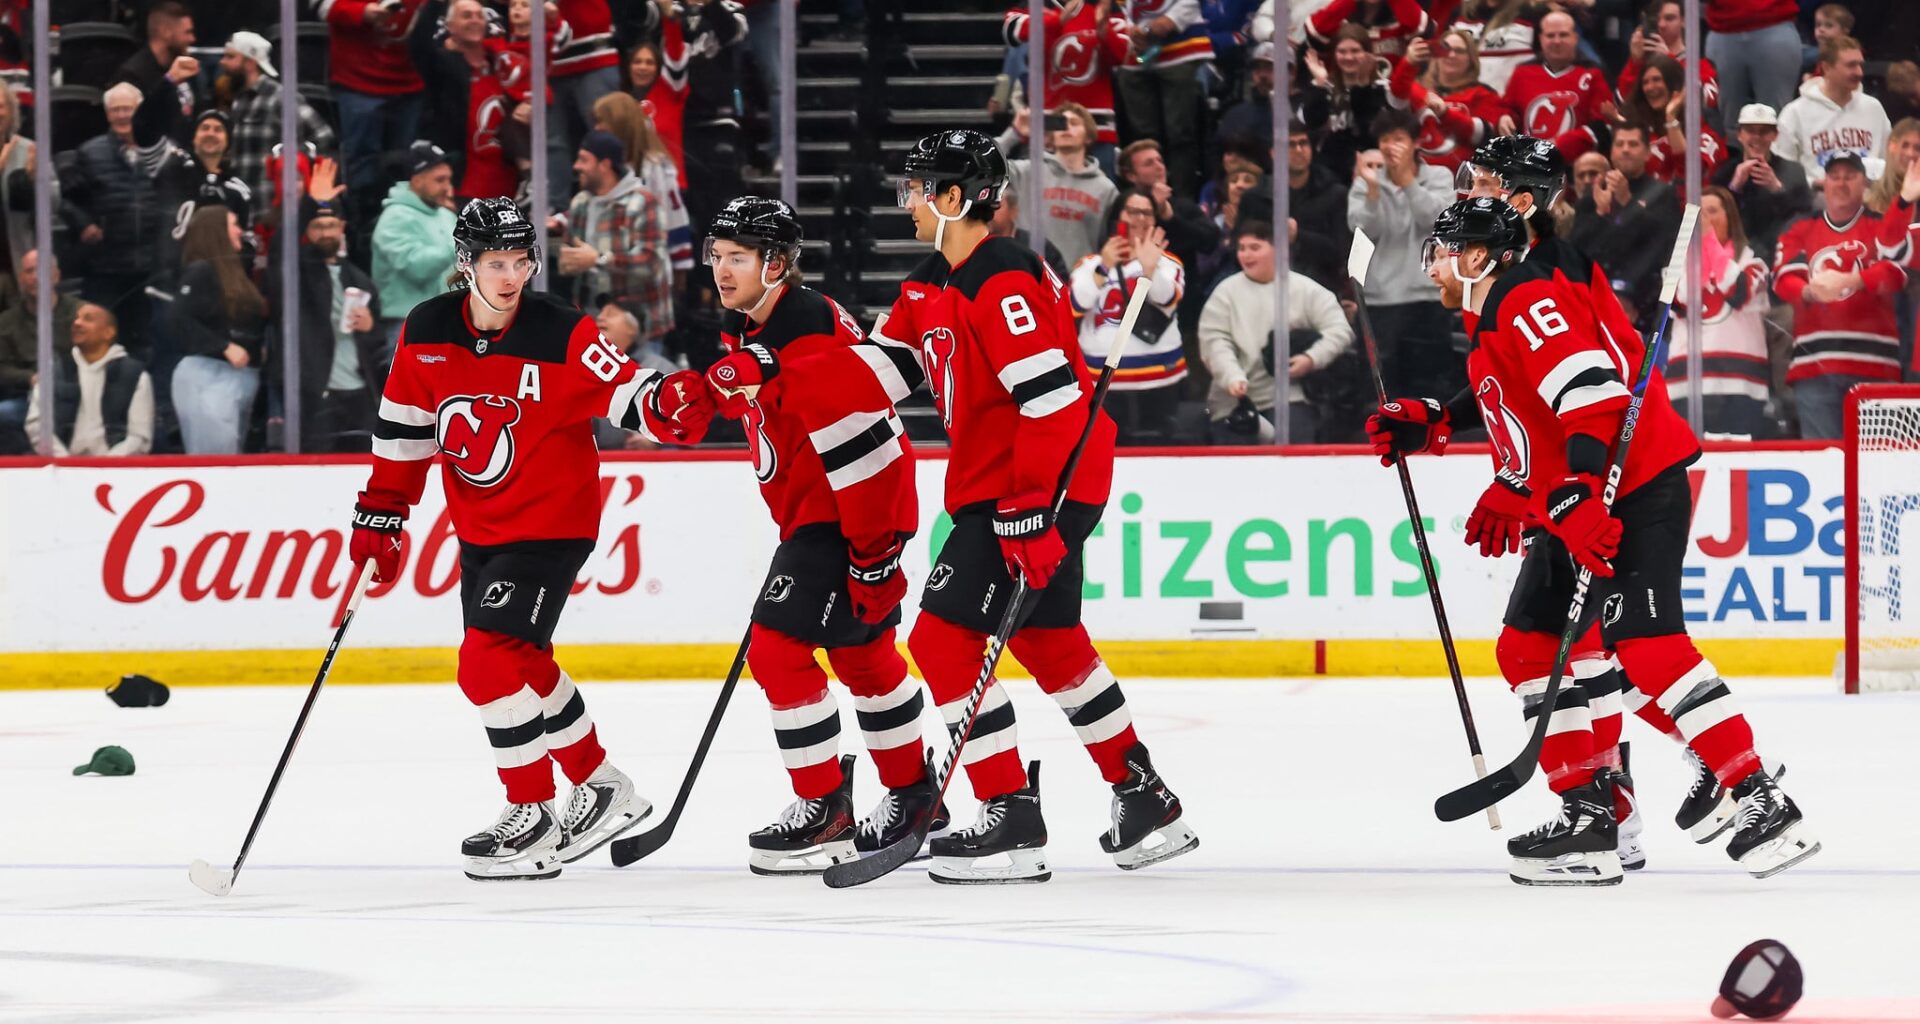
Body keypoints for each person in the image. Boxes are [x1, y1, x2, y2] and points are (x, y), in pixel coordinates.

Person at [1370, 196, 1818, 882]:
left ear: (1480, 256)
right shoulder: (1493, 319)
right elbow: (1510, 399)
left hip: (1629, 489)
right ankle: (1589, 820)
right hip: (1575, 503)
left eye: (1445, 249)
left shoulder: (1525, 300)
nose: (1433, 263)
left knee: (1649, 647)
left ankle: (1760, 797)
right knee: (1527, 645)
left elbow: (1591, 391)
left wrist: (1577, 485)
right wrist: (1431, 423)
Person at [350, 197, 714, 880]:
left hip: (553, 524)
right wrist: (381, 514)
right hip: (481, 528)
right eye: (496, 262)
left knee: (484, 663)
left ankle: (534, 812)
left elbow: (627, 389)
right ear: (466, 264)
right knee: (521, 663)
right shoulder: (427, 331)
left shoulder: (561, 331)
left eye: (521, 260)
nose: (511, 275)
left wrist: (667, 406)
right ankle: (601, 785)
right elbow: (402, 434)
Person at [875, 129, 1198, 883]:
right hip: (1008, 487)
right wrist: (786, 363)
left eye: (919, 187)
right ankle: (1140, 790)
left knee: (943, 644)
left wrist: (1028, 510)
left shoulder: (1002, 277)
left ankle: (1009, 816)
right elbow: (880, 373)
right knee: (1051, 644)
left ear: (955, 199)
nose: (908, 202)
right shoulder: (933, 282)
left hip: (1033, 487)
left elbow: (1052, 401)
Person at [688, 196, 944, 873]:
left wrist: (872, 551)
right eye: (716, 256)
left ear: (775, 264)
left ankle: (824, 805)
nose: (721, 269)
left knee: (776, 651)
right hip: (821, 514)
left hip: (847, 513)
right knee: (863, 658)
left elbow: (863, 439)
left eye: (737, 257)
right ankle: (916, 792)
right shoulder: (755, 326)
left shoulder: (805, 326)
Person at [1772, 152, 1906, 439]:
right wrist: (1810, 290)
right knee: (1826, 465)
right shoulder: (1801, 228)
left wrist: (1853, 280)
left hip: (1875, 366)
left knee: (1878, 468)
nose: (1841, 183)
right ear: (1824, 183)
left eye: (1850, 176)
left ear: (1864, 184)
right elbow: (1783, 279)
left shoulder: (1881, 225)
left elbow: (1896, 273)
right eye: (1834, 177)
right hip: (1815, 366)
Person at [1198, 219, 1353, 443]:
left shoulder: (1306, 289)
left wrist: (1311, 358)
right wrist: (1232, 376)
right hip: (1234, 401)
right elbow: (1214, 341)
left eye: (1255, 248)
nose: (1246, 255)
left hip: (1292, 397)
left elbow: (1339, 330)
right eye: (1242, 248)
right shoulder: (1224, 292)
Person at [1346, 108, 1459, 397]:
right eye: (1385, 139)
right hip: (1382, 300)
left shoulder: (1439, 176)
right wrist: (1372, 193)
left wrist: (1407, 182)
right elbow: (1362, 231)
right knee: (1385, 387)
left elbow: (1438, 222)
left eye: (1398, 138)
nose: (1390, 145)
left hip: (1428, 296)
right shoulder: (1365, 181)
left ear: (1415, 143)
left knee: (1430, 386)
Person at [1071, 188, 1186, 444]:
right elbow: (1075, 304)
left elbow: (1167, 299)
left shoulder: (1169, 263)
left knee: (1159, 454)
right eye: (1132, 211)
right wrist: (1105, 266)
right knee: (1103, 449)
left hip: (1159, 380)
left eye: (1147, 213)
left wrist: (1149, 268)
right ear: (1117, 216)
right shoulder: (1090, 264)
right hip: (1102, 382)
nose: (1140, 219)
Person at [273, 197, 388, 452]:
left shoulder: (359, 279)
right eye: (317, 226)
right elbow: (279, 250)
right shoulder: (296, 273)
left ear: (342, 227)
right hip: (316, 394)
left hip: (359, 395)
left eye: (330, 225)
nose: (325, 233)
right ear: (306, 230)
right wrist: (308, 202)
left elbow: (377, 343)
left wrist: (370, 327)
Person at [1669, 186, 1773, 439]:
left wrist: (1709, 243)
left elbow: (1738, 291)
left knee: (1740, 465)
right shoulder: (1677, 262)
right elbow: (1679, 301)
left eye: (1712, 211)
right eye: (1699, 214)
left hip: (1740, 383)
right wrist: (1693, 254)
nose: (1704, 219)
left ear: (1731, 217)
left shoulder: (1753, 260)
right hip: (1686, 384)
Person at [69, 83, 161, 358]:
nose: (122, 115)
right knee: (101, 344)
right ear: (107, 115)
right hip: (105, 268)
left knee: (146, 342)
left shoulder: (160, 149)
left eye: (128, 109)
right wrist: (84, 223)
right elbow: (70, 199)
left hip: (149, 266)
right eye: (116, 110)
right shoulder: (88, 153)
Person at [319, 0, 430, 227]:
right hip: (359, 80)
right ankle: (362, 227)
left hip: (409, 81)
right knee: (363, 163)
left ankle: (405, 224)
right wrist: (361, 12)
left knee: (407, 163)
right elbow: (322, 6)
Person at [554, 131, 671, 345]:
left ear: (604, 165)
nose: (576, 166)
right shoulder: (581, 203)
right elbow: (573, 257)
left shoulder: (643, 202)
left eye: (583, 160)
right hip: (591, 322)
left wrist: (599, 259)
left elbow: (651, 263)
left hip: (637, 327)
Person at [169, 207, 266, 454]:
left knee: (232, 455)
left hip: (241, 376)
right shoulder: (200, 270)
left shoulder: (236, 273)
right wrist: (223, 346)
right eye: (233, 224)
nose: (240, 231)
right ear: (216, 232)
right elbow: (179, 318)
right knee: (215, 456)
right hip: (209, 373)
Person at [222, 30, 339, 222]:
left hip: (272, 208)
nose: (223, 62)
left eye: (230, 57)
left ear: (250, 62)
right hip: (244, 206)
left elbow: (322, 134)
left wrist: (290, 161)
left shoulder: (278, 96)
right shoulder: (238, 101)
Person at [1569, 124, 1682, 318]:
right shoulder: (1593, 195)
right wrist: (1601, 212)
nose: (1626, 149)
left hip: (1646, 301)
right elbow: (1576, 248)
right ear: (1612, 151)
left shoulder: (1663, 193)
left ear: (1648, 153)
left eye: (1633, 144)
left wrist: (1628, 203)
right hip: (1597, 300)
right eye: (1620, 144)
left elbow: (1664, 244)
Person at [1001, 0, 1130, 161]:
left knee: (1100, 184)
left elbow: (1124, 56)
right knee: (1048, 185)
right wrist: (1057, 20)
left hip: (1098, 127)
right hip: (1049, 126)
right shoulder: (1035, 5)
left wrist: (1105, 31)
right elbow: (1010, 31)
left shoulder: (1105, 6)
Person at [1000, 102, 1120, 269]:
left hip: (1078, 283)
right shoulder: (1027, 171)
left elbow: (1109, 243)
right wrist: (1014, 133)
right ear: (1050, 136)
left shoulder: (1106, 189)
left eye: (1074, 123)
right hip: (1027, 275)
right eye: (1061, 124)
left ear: (1088, 136)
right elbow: (981, 160)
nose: (1066, 128)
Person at [24, 303, 153, 456]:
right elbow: (37, 425)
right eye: (76, 318)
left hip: (115, 473)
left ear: (108, 332)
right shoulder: (53, 372)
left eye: (88, 319)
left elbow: (139, 436)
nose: (77, 323)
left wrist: (103, 467)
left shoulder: (134, 375)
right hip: (60, 470)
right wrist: (65, 462)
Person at [1115, 0, 1215, 196]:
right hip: (1134, 51)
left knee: (1180, 133)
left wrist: (1171, 19)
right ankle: (1147, 198)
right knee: (1142, 136)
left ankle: (1180, 202)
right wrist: (1128, 28)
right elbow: (1111, 5)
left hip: (1181, 44)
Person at [591, 91, 693, 273]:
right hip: (608, 265)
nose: (597, 128)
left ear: (619, 123)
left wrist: (680, 265)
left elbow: (673, 217)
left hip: (647, 268)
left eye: (601, 121)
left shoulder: (654, 166)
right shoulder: (602, 164)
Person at [1390, 28, 1512, 175]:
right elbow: (1395, 99)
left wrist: (1445, 114)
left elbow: (1482, 135)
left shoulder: (1482, 94)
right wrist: (1408, 62)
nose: (1451, 55)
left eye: (1459, 51)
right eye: (1445, 49)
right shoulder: (1418, 90)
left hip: (1462, 181)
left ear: (1471, 59)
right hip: (1416, 177)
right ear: (1435, 55)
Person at [1774, 36, 1891, 186]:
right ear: (1827, 68)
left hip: (1869, 197)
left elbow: (1889, 161)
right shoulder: (1795, 112)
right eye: (1851, 65)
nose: (1859, 72)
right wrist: (1814, 183)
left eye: (1860, 65)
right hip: (1817, 198)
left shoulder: (1873, 108)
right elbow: (1784, 171)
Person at [373, 141, 460, 335]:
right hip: (408, 325)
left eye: (449, 179)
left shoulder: (446, 216)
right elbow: (416, 268)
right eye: (440, 180)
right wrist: (460, 245)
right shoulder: (394, 218)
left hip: (449, 322)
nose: (448, 187)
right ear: (417, 181)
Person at [1498, 11, 1610, 159]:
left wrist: (1562, 146)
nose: (1557, 41)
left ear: (1575, 38)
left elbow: (1604, 126)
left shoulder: (1594, 73)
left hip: (1575, 165)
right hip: (1528, 163)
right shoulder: (1522, 72)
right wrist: (1503, 117)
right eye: (1550, 36)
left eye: (1563, 35)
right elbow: (1508, 108)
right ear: (1541, 39)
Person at [0, 250, 81, 453]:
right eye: (29, 271)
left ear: (56, 276)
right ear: (21, 278)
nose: (35, 276)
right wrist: (30, 378)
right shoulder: (6, 322)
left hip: (78, 398)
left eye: (42, 270)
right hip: (25, 400)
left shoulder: (81, 314)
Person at [1710, 103, 1813, 262]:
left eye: (1764, 132)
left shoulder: (1793, 171)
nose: (1757, 138)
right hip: (1734, 255)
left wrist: (1777, 190)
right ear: (1739, 134)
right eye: (1750, 131)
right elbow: (1713, 220)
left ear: (1775, 135)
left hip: (1779, 252)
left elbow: (1805, 219)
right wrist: (1734, 189)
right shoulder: (1724, 173)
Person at [1300, 24, 1393, 185]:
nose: (1348, 57)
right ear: (1334, 54)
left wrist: (1363, 89)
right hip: (1329, 173)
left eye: (1355, 51)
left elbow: (1373, 133)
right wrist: (1320, 84)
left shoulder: (1383, 88)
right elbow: (1311, 123)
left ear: (1368, 53)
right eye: (1342, 51)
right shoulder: (1322, 86)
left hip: (1374, 170)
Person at [1111, 139, 1221, 272]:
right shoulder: (1122, 206)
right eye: (1149, 163)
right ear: (1131, 176)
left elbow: (1210, 241)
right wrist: (1153, 210)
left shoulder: (1183, 206)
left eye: (1160, 161)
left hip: (1180, 285)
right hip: (1130, 283)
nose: (1159, 167)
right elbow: (1114, 240)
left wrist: (1170, 218)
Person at [1624, 55, 1727, 192]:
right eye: (1645, 82)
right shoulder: (1645, 135)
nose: (1650, 87)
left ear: (1674, 84)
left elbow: (1691, 171)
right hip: (1650, 208)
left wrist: (1671, 118)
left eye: (1656, 80)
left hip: (1693, 209)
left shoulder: (1706, 135)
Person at [1703, 0, 1800, 136]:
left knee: (1778, 120)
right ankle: (1733, 155)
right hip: (1723, 28)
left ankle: (1778, 156)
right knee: (1728, 122)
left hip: (1774, 21)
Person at [107, 1, 199, 144]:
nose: (192, 39)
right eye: (187, 32)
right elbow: (132, 129)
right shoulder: (132, 76)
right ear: (166, 31)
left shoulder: (186, 69)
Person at [1617, 0, 1719, 113]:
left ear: (1684, 21)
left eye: (1669, 18)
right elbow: (1622, 102)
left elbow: (1708, 100)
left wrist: (1670, 63)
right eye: (1657, 19)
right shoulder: (1642, 65)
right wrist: (1635, 63)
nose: (1661, 25)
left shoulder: (1700, 65)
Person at [1448, 0, 1550, 94]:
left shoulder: (1534, 12)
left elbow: (1549, 59)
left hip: (1510, 101)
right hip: (1462, 100)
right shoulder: (1462, 12)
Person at [1867, 118, 1920, 216]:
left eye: (1917, 148)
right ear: (1892, 147)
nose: (1910, 153)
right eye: (1905, 145)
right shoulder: (1870, 198)